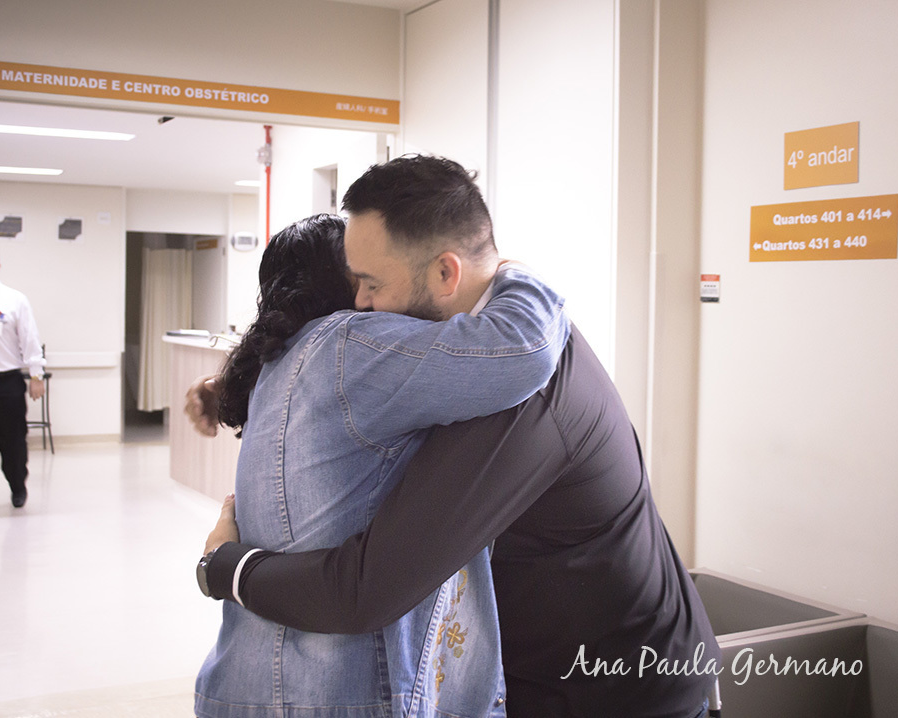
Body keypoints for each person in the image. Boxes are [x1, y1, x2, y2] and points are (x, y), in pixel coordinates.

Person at [193, 155, 722, 718]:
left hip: (627, 694)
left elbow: (367, 589)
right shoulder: (471, 363)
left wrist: (223, 566)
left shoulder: (518, 389)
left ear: (446, 274)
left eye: (371, 284)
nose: (360, 306)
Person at [193, 211, 569, 718]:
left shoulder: (281, 364)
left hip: (244, 684)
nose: (374, 294)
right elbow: (521, 346)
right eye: (365, 276)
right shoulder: (350, 344)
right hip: (335, 694)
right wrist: (502, 269)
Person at [0, 243, 46, 508]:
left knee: (12, 442)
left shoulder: (14, 299)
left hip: (6, 381)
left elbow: (30, 339)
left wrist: (36, 376)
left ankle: (17, 486)